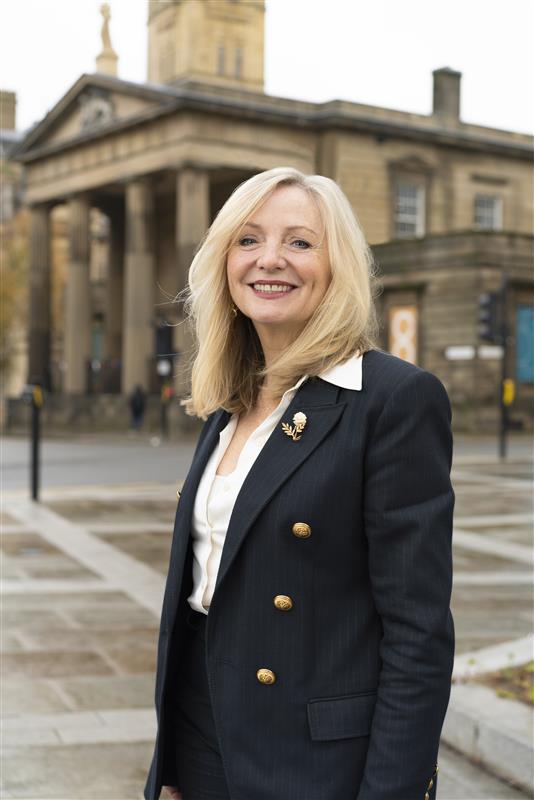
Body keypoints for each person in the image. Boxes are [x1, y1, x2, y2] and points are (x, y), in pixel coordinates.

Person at [144, 167, 454, 800]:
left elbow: (417, 634)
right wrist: (171, 763)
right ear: (224, 261)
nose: (270, 259)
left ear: (337, 264)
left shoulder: (393, 399)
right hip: (201, 726)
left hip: (311, 758)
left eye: (300, 242)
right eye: (248, 239)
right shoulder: (232, 398)